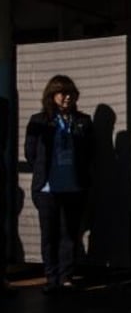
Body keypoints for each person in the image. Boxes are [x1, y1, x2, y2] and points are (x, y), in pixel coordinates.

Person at [25, 75, 94, 294]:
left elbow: (90, 152)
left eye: (71, 93)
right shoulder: (39, 121)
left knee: (69, 234)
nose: (67, 97)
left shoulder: (83, 121)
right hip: (47, 189)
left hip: (74, 187)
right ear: (52, 95)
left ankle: (66, 277)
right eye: (62, 93)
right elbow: (30, 153)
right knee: (49, 235)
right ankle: (51, 277)